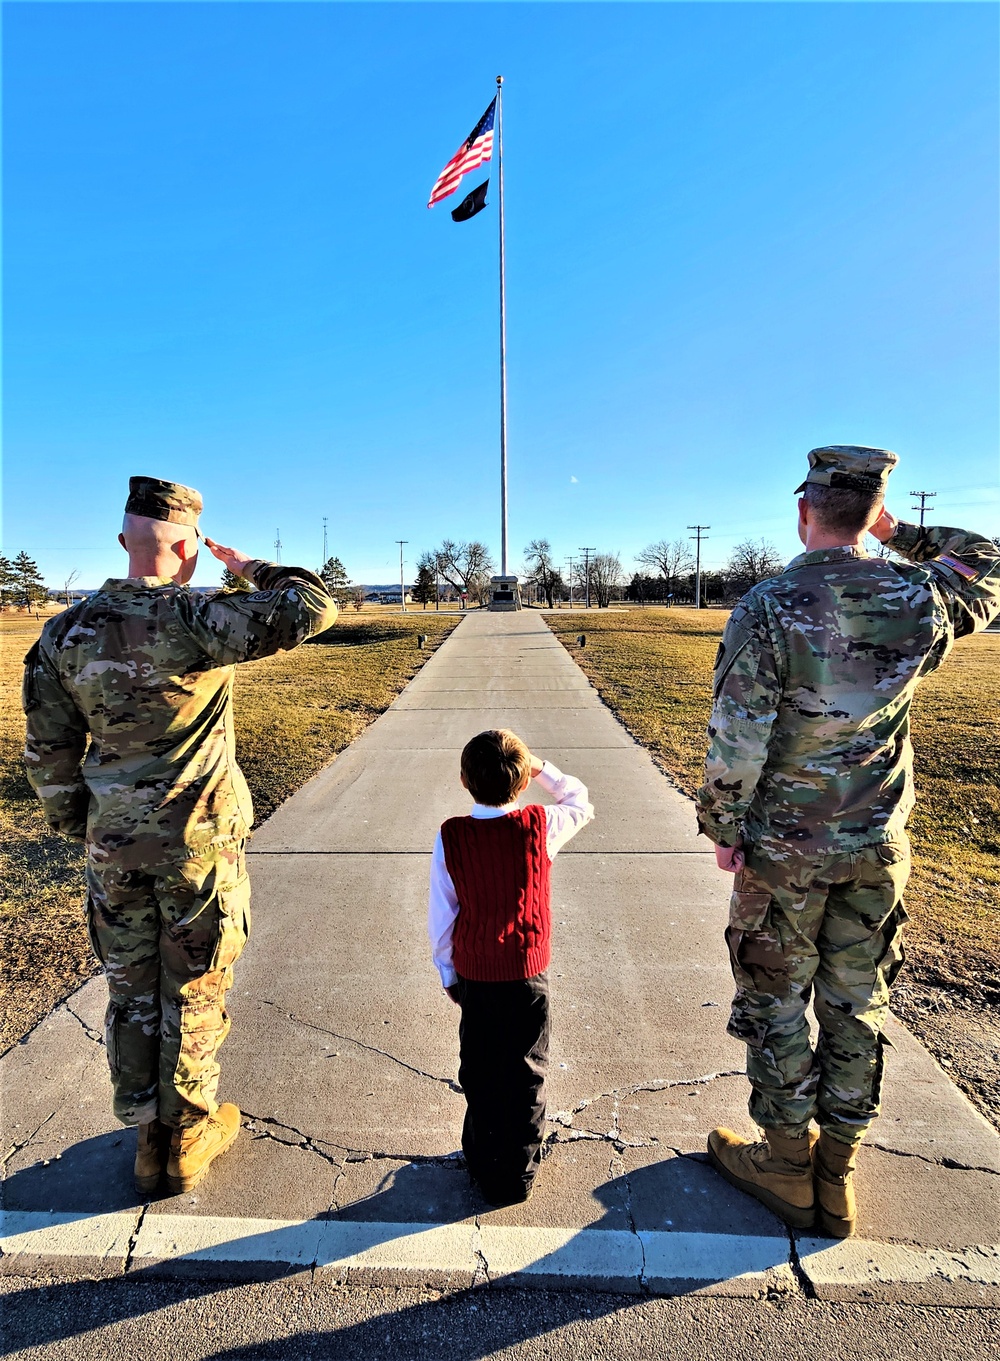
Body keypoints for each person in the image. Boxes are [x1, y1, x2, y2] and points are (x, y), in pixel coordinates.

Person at [695, 446, 1000, 1237]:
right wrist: (901, 536)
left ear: (804, 512)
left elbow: (739, 736)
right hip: (876, 842)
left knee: (774, 996)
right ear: (875, 513)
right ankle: (839, 1171)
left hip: (786, 847)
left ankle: (788, 1161)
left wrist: (724, 829)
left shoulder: (769, 604)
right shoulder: (918, 596)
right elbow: (989, 562)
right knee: (857, 999)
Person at [22, 476, 338, 1196]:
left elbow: (48, 752)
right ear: (190, 549)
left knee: (131, 985)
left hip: (115, 848)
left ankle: (146, 1134)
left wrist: (87, 826)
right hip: (199, 846)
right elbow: (314, 605)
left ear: (123, 540)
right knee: (195, 982)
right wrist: (249, 566)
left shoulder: (66, 632)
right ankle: (188, 1131)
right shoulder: (197, 617)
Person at [428, 730, 594, 1206]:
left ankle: (482, 1161)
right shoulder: (541, 826)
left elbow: (443, 913)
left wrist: (448, 972)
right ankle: (517, 1172)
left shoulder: (452, 835)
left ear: (464, 780)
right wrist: (540, 766)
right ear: (522, 786)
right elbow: (580, 799)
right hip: (527, 975)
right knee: (526, 1072)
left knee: (480, 1070)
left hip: (475, 974)